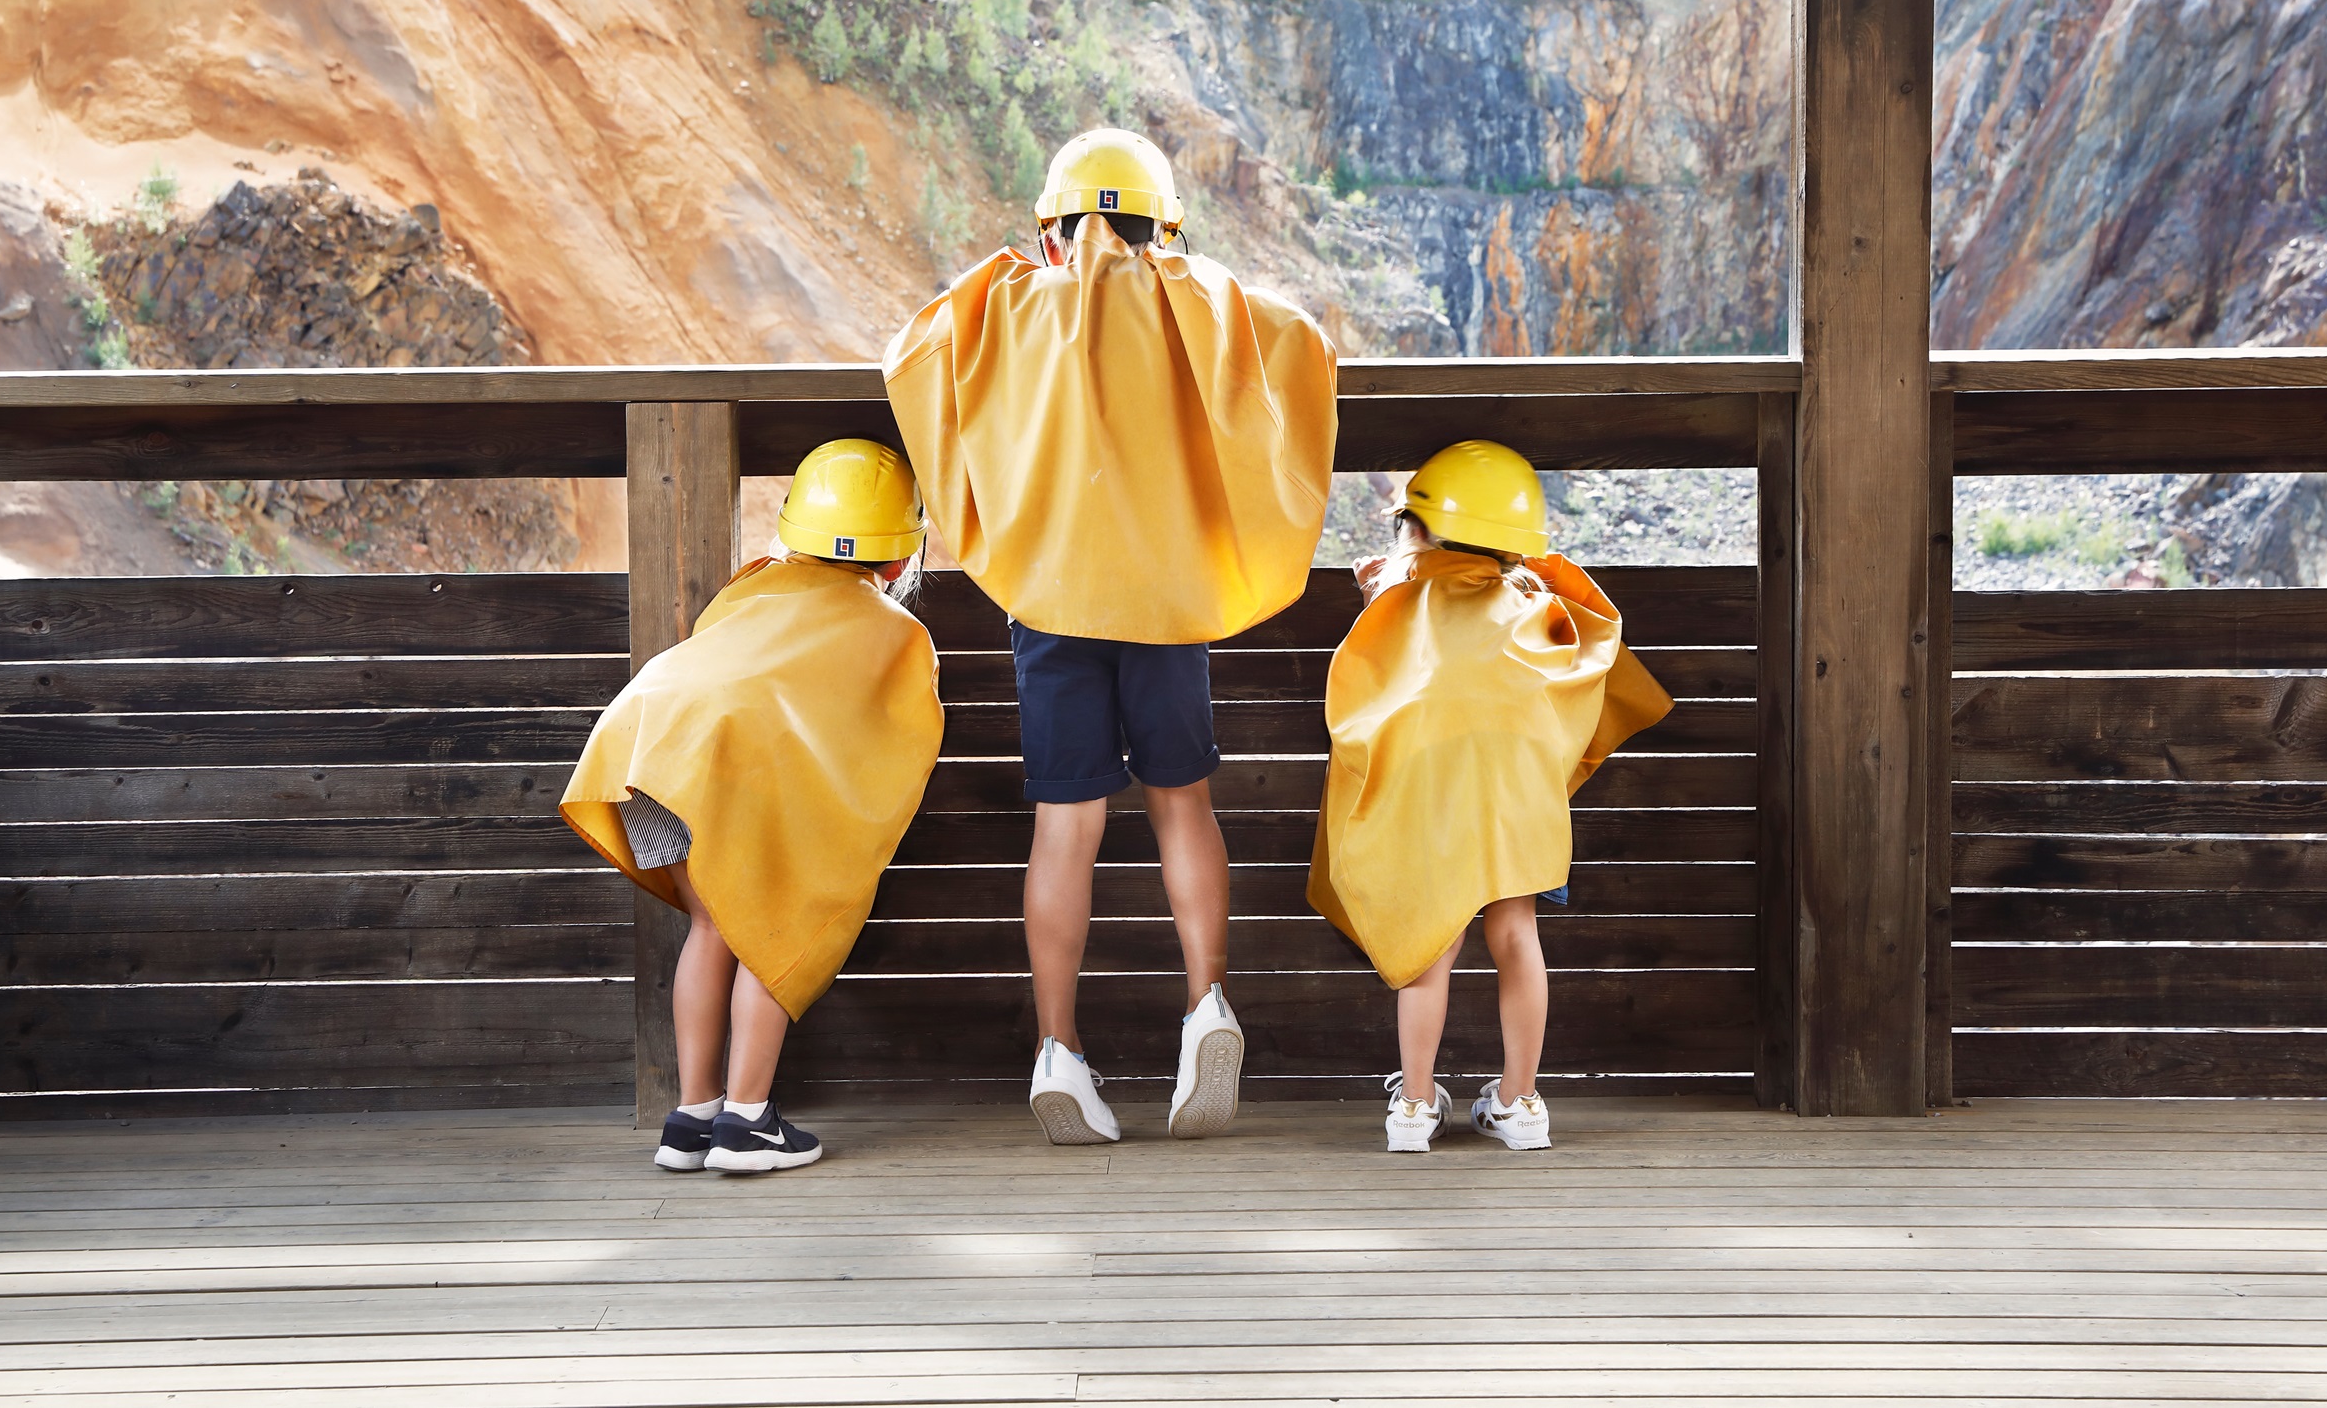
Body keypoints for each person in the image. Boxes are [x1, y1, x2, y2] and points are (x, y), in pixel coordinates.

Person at [884, 128, 1337, 1144]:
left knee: (1066, 825)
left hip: (1051, 602)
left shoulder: (1014, 308)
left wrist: (1020, 271)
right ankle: (1205, 1005)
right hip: (1167, 602)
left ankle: (1059, 1049)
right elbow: (1301, 341)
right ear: (1163, 230)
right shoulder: (1200, 307)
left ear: (1052, 229)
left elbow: (915, 347)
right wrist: (1185, 281)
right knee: (1183, 807)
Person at [560, 439, 943, 1173]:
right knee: (776, 923)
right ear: (900, 560)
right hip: (720, 763)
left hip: (644, 749)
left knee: (712, 927)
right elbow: (895, 747)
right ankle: (746, 1123)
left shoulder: (751, 587)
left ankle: (691, 1120)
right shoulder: (897, 632)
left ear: (793, 529)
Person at [1308, 441, 1671, 1153]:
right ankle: (1520, 1102)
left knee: (1430, 944)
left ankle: (1415, 1107)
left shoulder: (1398, 600)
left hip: (1430, 799)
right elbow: (1583, 661)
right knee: (1516, 936)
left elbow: (1372, 680)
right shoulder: (1536, 602)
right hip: (1516, 801)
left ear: (1421, 528)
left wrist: (1380, 586)